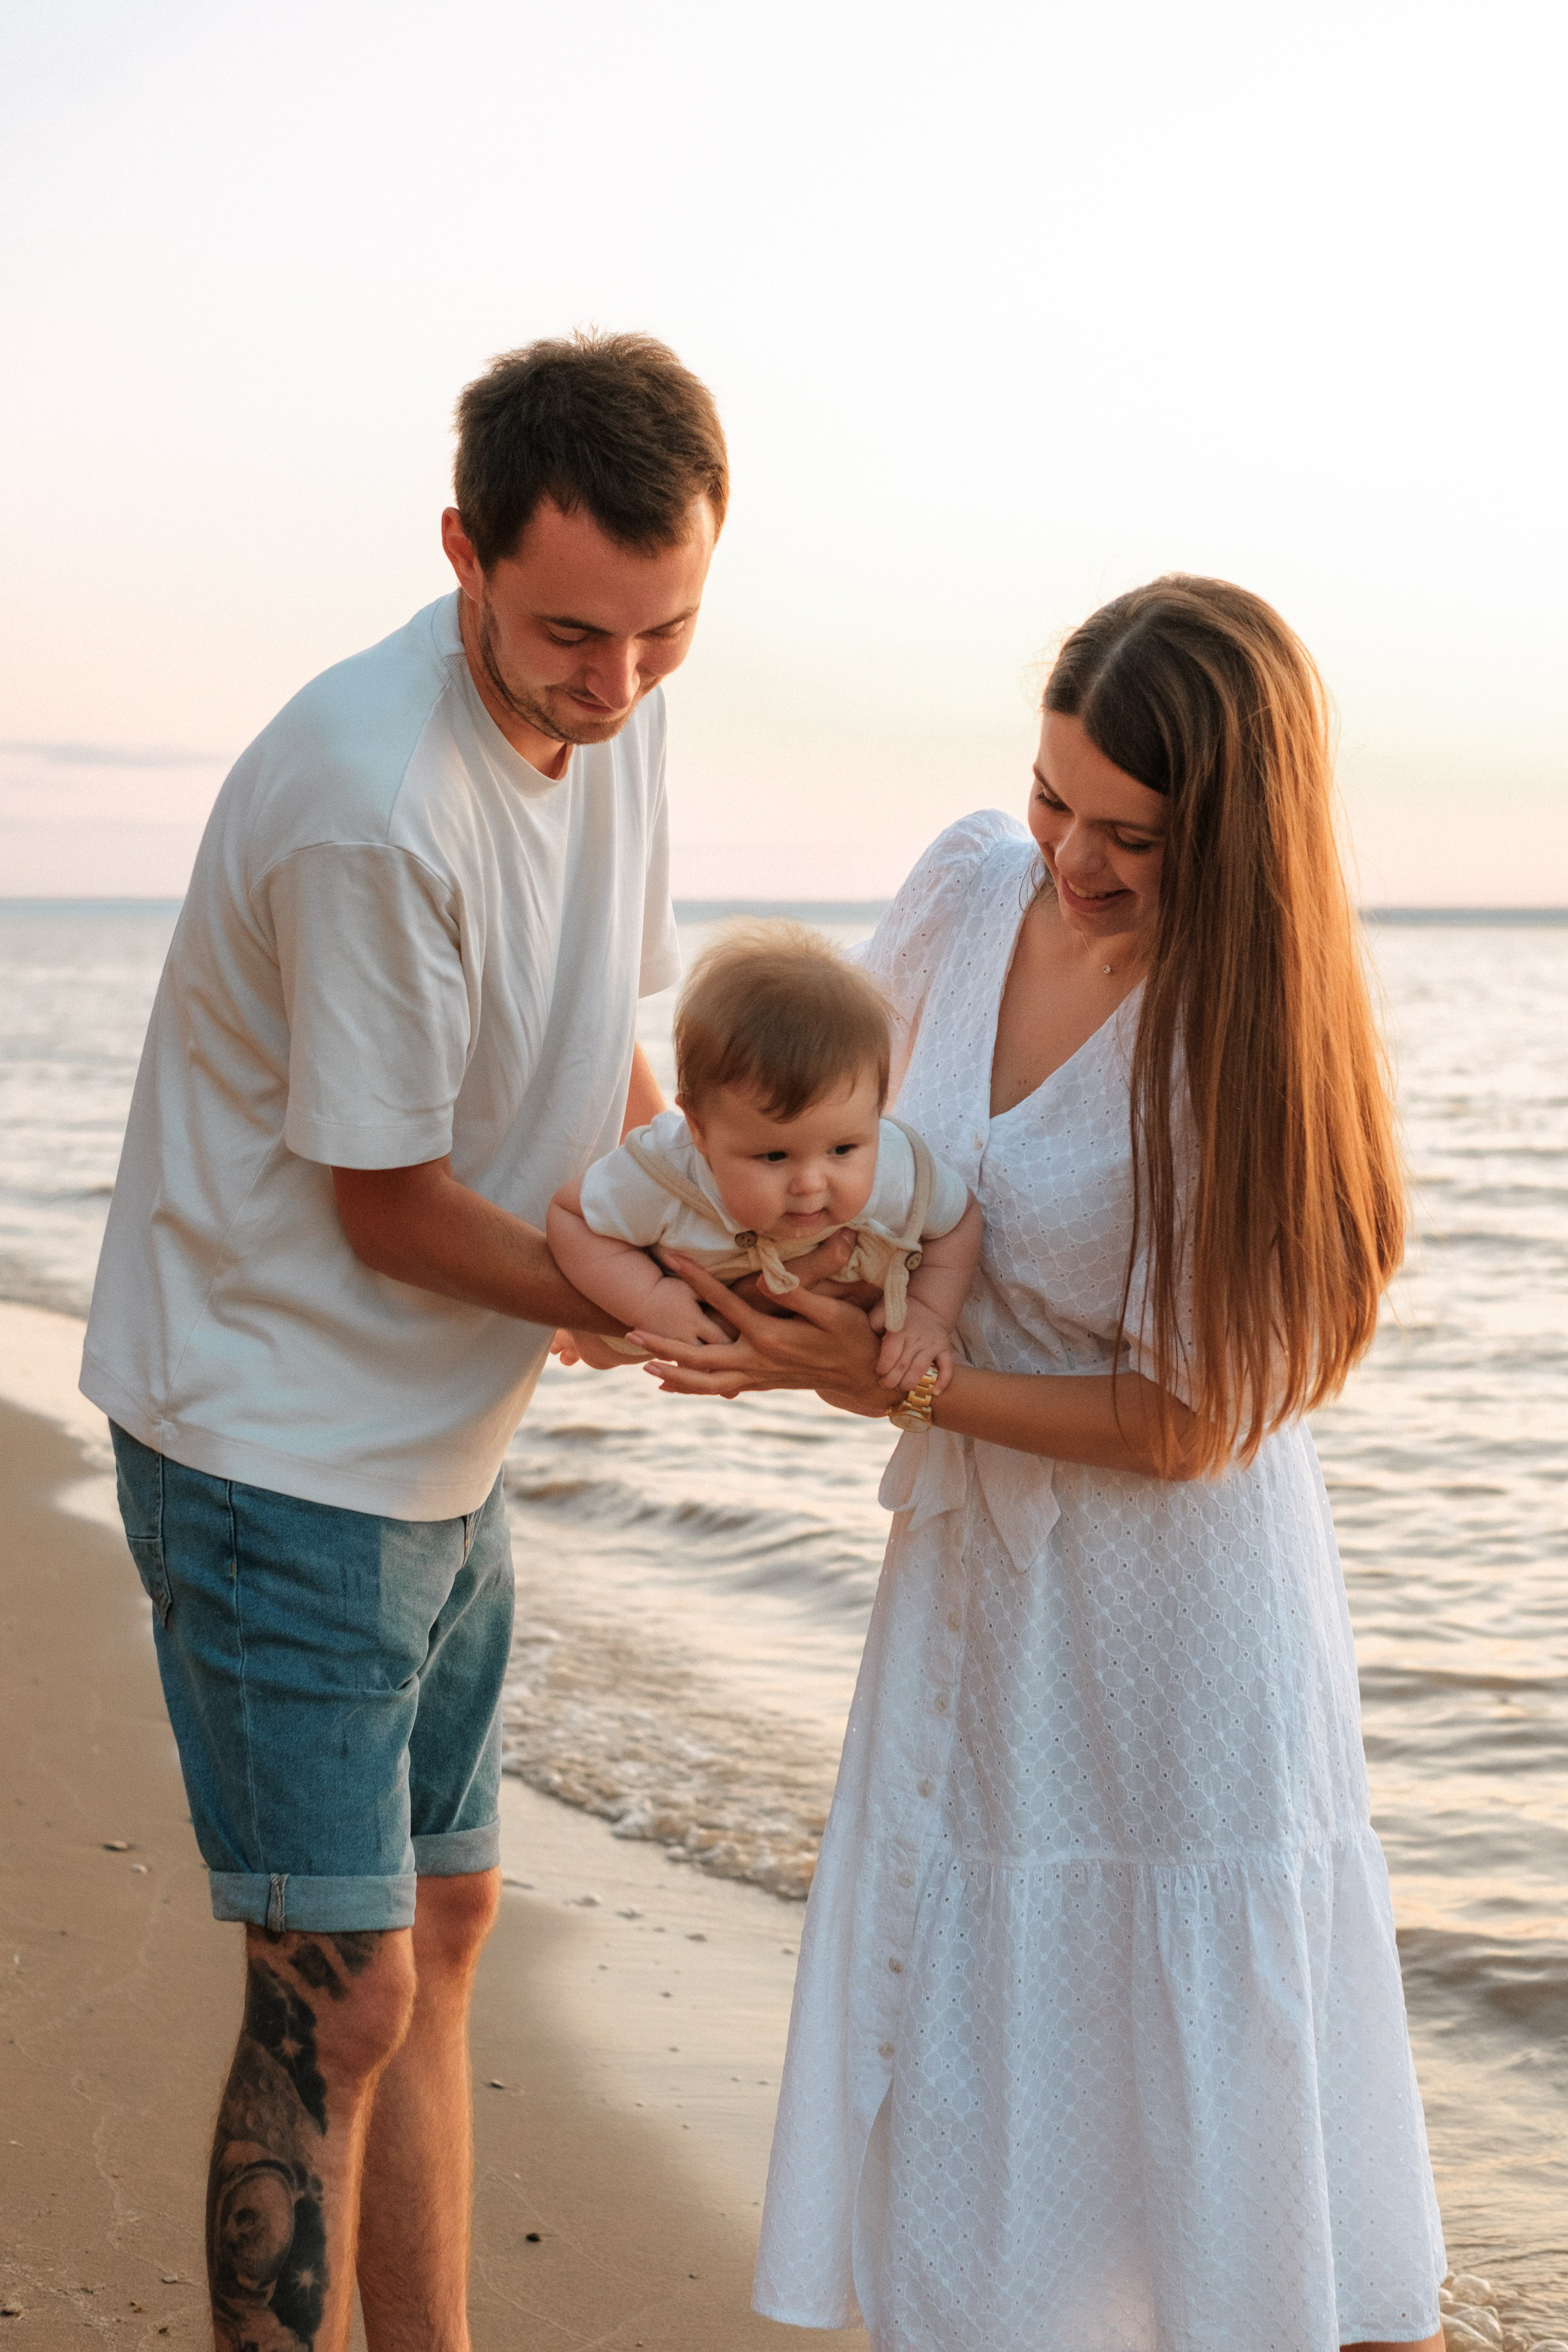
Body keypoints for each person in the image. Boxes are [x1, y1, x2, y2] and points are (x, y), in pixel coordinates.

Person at [634, 578, 1448, 2352]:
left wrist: (892, 1392)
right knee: (974, 2092)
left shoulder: (1242, 1044)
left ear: (1231, 839)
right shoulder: (964, 884)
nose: (1068, 857)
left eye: (1127, 836)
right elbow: (824, 1149)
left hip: (1180, 1635)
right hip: (976, 1596)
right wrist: (678, 1280)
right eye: (1049, 798)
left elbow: (1191, 1421)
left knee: (1239, 2148)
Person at [80, 329, 726, 2352]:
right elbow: (387, 1198)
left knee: (443, 1927)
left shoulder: (608, 708)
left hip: (434, 1442)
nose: (613, 683)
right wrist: (619, 1297)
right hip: (274, 1437)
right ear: (457, 546)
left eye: (662, 629)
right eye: (567, 633)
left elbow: (600, 1060)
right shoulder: (369, 799)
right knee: (333, 1980)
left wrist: (704, 1236)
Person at [548, 921, 983, 1392]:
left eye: (842, 1149)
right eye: (774, 1156)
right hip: (682, 1285)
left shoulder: (895, 1169)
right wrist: (648, 1298)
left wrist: (927, 1312)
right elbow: (570, 1216)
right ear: (698, 1130)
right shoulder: (661, 1175)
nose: (811, 1183)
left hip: (797, 1309)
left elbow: (958, 1222)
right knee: (607, 1342)